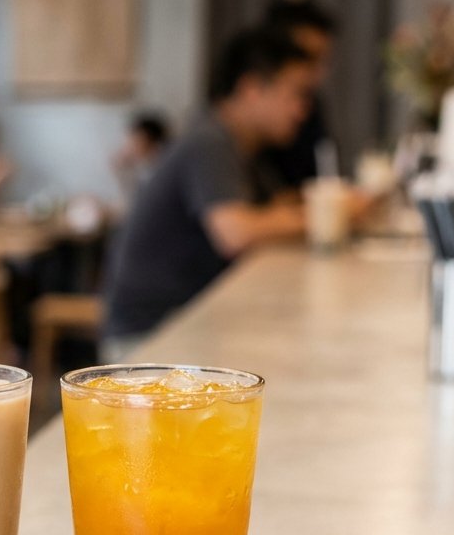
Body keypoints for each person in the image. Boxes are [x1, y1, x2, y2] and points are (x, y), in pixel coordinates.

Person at [103, 28, 312, 349]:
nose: (301, 111)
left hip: (188, 323)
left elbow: (275, 207)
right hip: (149, 338)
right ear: (251, 89)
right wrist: (327, 214)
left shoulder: (241, 147)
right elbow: (236, 233)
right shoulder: (209, 141)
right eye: (296, 95)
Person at [261, 0, 339, 191]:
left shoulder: (312, 105)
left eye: (323, 60)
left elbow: (320, 176)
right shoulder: (220, 138)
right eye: (307, 58)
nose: (319, 72)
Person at [111, 111, 172, 202]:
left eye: (133, 140)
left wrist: (122, 173)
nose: (129, 146)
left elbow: (141, 202)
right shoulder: (148, 168)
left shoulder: (163, 168)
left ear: (145, 139)